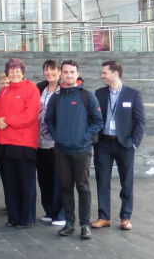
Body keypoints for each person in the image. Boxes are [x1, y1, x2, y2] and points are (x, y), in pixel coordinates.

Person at [44, 60, 103, 240]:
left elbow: (98, 121)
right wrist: (57, 136)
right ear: (61, 74)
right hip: (61, 150)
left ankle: (84, 225)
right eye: (66, 72)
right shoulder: (56, 97)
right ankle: (69, 223)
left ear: (77, 74)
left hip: (82, 150)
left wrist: (84, 136)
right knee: (66, 187)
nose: (68, 75)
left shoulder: (87, 96)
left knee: (83, 187)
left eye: (72, 72)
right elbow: (49, 121)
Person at [91, 59, 145, 232]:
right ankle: (103, 217)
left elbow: (140, 121)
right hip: (104, 143)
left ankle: (125, 217)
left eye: (105, 72)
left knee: (126, 182)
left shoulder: (133, 95)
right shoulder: (99, 94)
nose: (102, 76)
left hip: (125, 144)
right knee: (102, 181)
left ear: (115, 73)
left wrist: (134, 143)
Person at [0, 58, 41, 229]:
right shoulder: (4, 91)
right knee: (10, 183)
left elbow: (30, 115)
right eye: (11, 71)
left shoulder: (31, 89)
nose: (14, 73)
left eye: (17, 70)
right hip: (5, 143)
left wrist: (6, 121)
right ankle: (13, 217)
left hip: (24, 143)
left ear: (23, 71)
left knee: (25, 183)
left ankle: (26, 218)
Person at [35, 60, 66, 227]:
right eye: (46, 70)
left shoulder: (64, 91)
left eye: (52, 70)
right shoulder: (40, 88)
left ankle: (60, 213)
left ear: (59, 71)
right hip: (39, 142)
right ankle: (49, 210)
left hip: (56, 143)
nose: (49, 73)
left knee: (58, 179)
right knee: (44, 178)